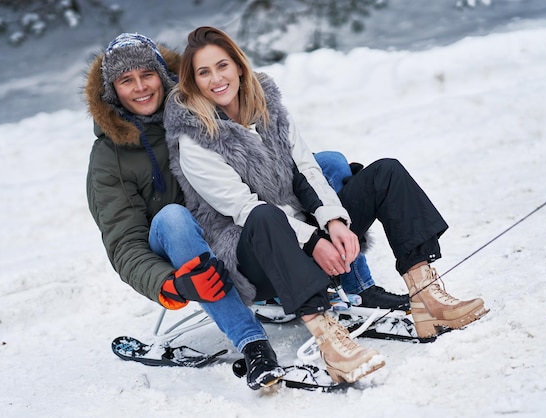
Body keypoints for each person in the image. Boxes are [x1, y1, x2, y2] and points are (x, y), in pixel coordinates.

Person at [163, 26, 489, 375]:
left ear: (239, 66)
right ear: (193, 82)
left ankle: (426, 294)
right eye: (204, 72)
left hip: (302, 235)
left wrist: (334, 222)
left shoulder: (267, 108)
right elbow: (242, 208)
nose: (216, 79)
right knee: (263, 214)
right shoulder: (194, 140)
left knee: (385, 173)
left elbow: (305, 169)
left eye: (222, 65)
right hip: (256, 255)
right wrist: (315, 240)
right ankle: (328, 339)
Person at [84, 33, 392, 390]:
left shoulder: (194, 106)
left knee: (328, 163)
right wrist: (170, 283)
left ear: (163, 75)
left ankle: (359, 288)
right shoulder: (109, 161)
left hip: (249, 227)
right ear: (111, 91)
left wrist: (327, 195)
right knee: (172, 215)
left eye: (146, 75)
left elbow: (268, 158)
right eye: (126, 80)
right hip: (191, 250)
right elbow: (124, 244)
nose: (140, 88)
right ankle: (252, 343)